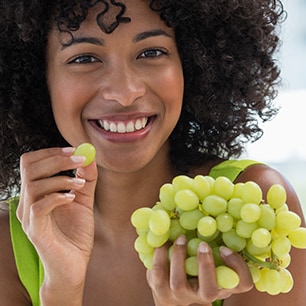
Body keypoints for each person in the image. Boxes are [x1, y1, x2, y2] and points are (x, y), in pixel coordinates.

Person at [0, 0, 305, 305]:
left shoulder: (252, 211)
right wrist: (61, 289)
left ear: (191, 62)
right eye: (85, 58)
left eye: (151, 52)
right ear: (40, 80)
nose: (124, 92)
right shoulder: (8, 244)